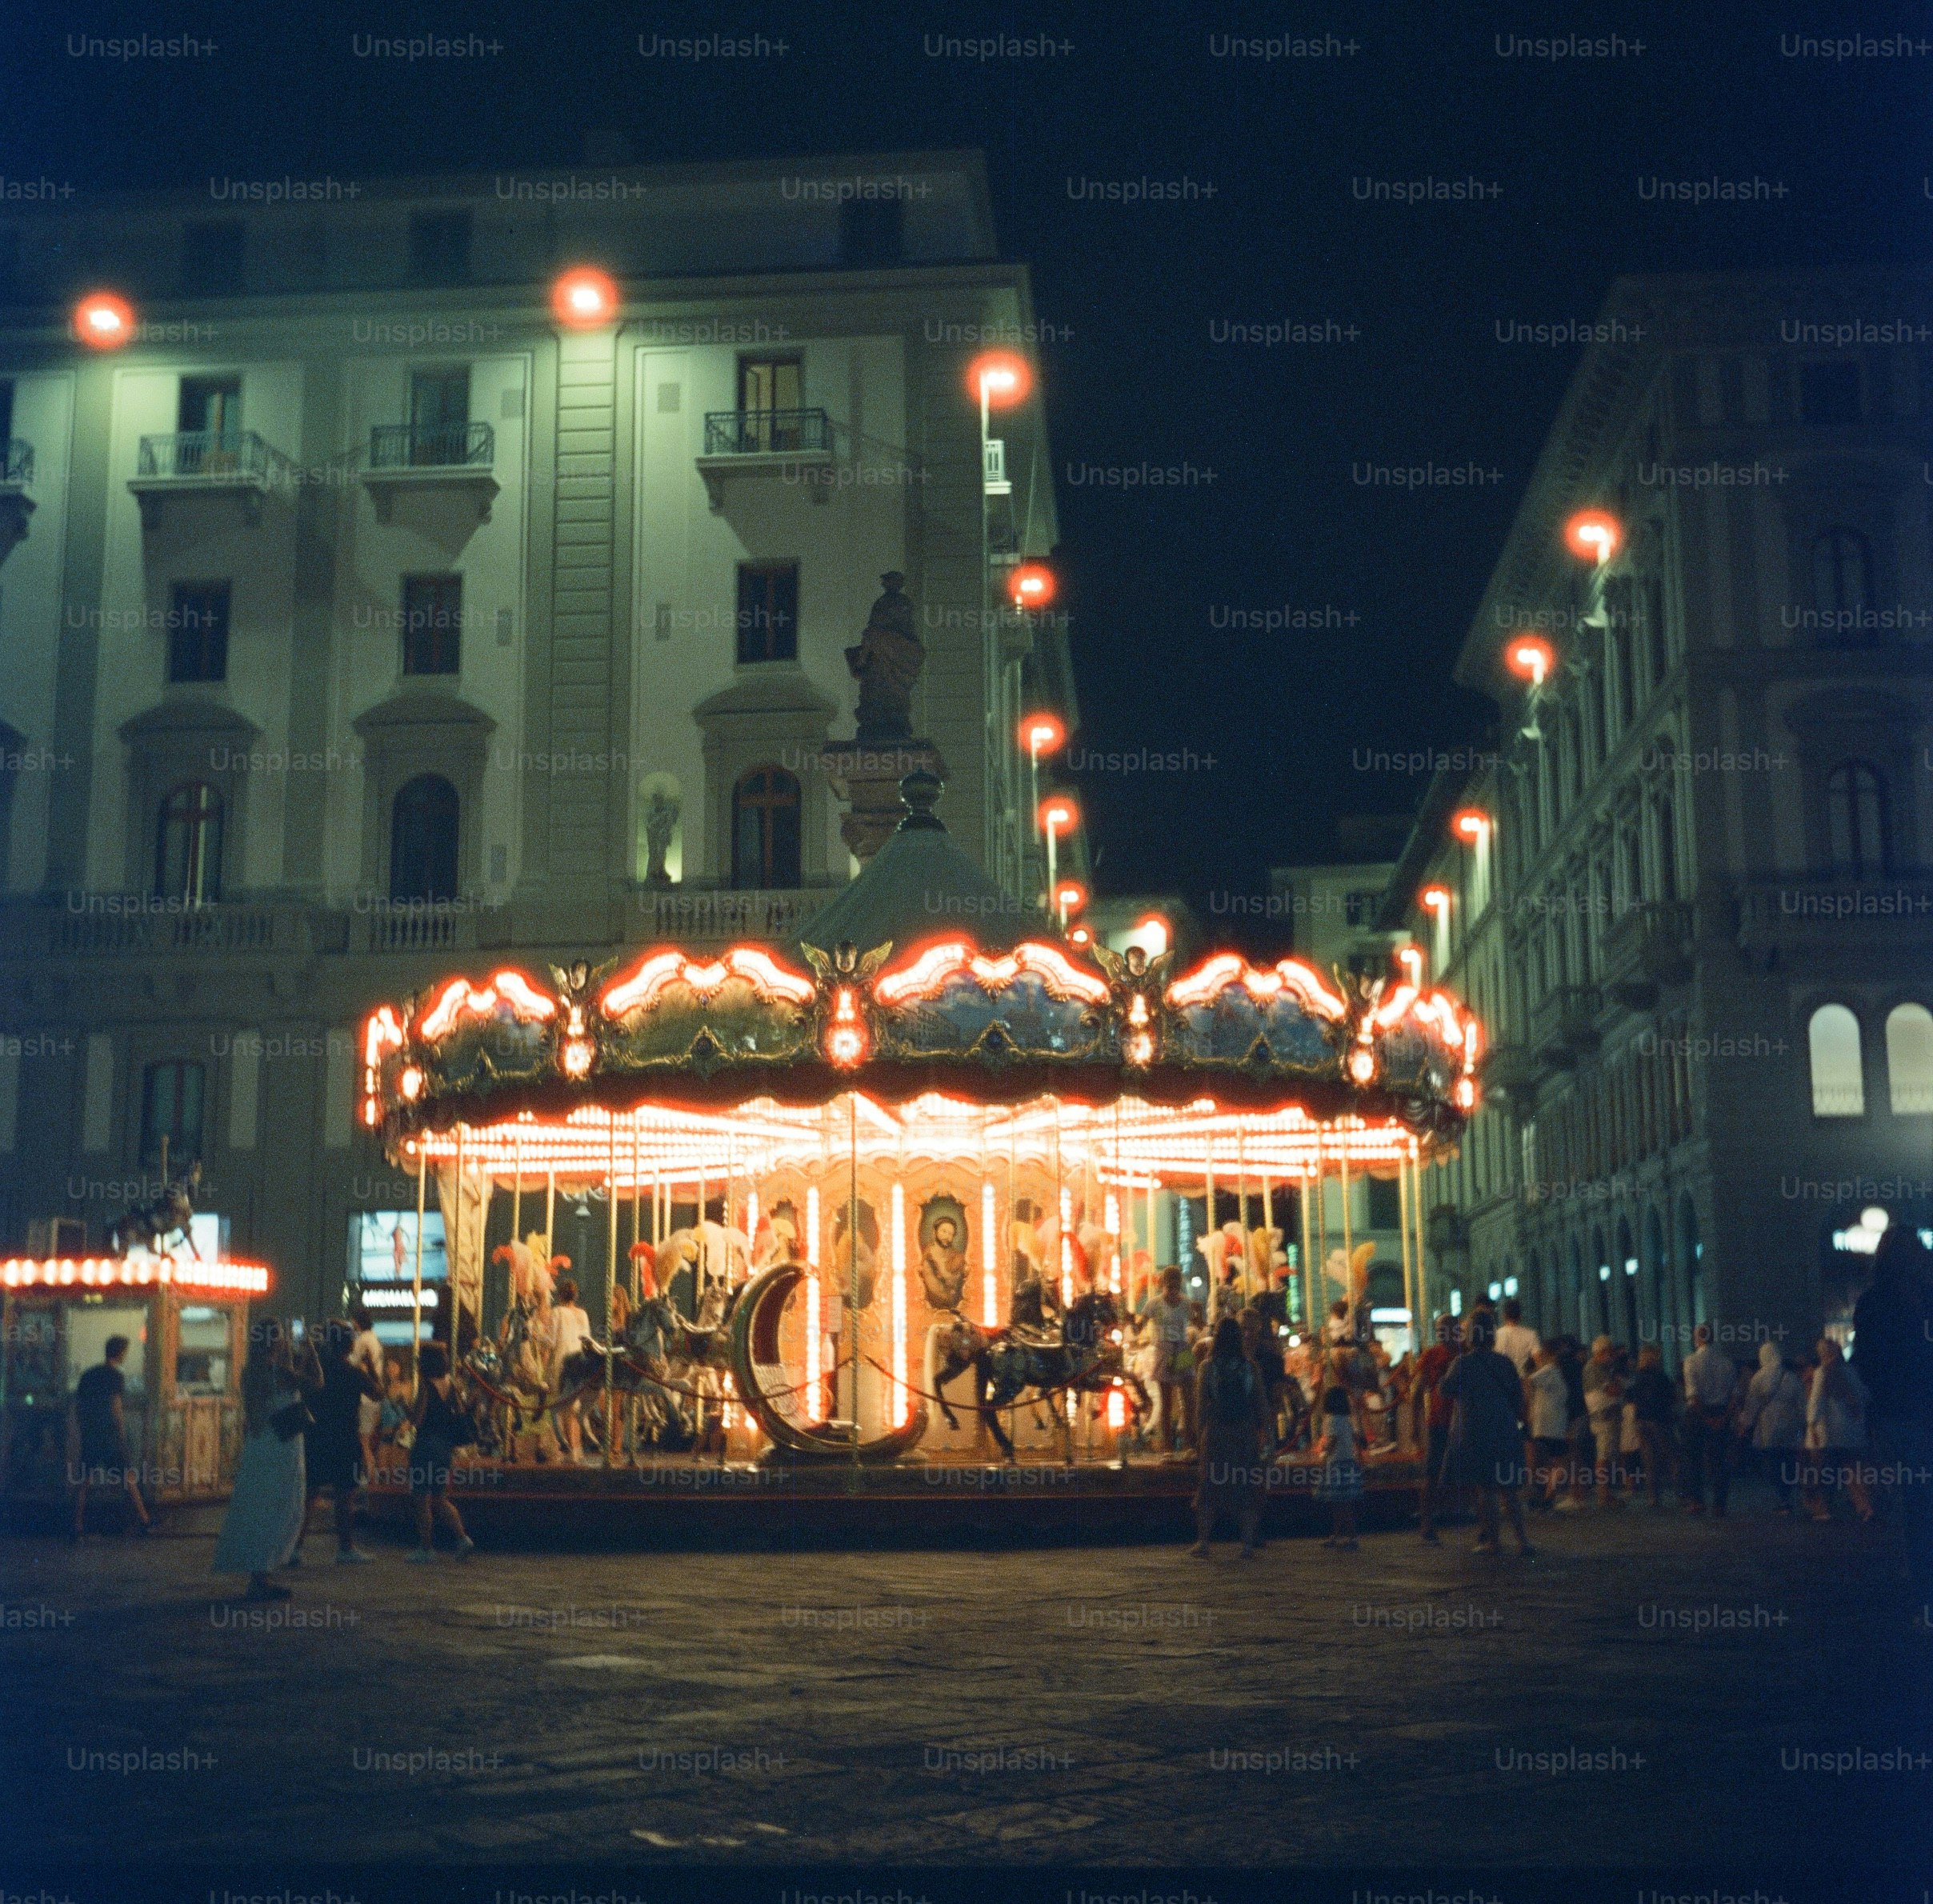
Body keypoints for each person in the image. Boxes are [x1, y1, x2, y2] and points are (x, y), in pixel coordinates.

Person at [1851, 1226, 1933, 1622]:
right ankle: (1922, 1580)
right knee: (1920, 1497)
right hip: (1909, 1411)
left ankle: (1921, 1580)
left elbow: (1866, 1362)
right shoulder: (1899, 1302)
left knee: (1917, 1498)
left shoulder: (1874, 1303)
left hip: (1901, 1411)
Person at [213, 1319, 315, 1600]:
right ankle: (262, 1576)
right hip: (283, 1444)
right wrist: (309, 1350)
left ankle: (259, 1575)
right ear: (275, 1341)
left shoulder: (251, 1371)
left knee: (259, 1503)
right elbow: (316, 1381)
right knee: (283, 1503)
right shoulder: (279, 1371)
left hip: (261, 1443)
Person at [1440, 1310, 1535, 1556]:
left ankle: (1493, 1540)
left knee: (1486, 1490)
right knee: (1510, 1489)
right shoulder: (1505, 1363)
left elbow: (1446, 1389)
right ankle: (1523, 1540)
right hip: (1504, 1429)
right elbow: (1518, 1397)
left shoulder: (1463, 1363)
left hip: (1474, 1431)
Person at [299, 1322, 381, 1565]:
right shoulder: (354, 1373)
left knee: (310, 1494)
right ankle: (346, 1548)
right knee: (345, 1496)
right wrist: (371, 1368)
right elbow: (378, 1393)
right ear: (350, 1344)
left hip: (317, 1436)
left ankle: (295, 1546)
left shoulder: (318, 1371)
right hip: (345, 1439)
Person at [1189, 1317, 1267, 1557]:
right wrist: (1265, 1433)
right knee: (1244, 1485)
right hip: (1243, 1430)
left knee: (1210, 1486)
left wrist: (1198, 1434)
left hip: (1217, 1431)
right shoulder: (1249, 1367)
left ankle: (1203, 1542)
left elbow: (1201, 1404)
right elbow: (1260, 1403)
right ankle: (1246, 1544)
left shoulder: (1207, 1367)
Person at [70, 1335, 150, 1540]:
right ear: (120, 1352)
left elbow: (79, 1406)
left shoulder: (88, 1375)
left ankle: (77, 1523)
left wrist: (82, 1429)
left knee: (85, 1480)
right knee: (127, 1477)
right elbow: (116, 1407)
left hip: (91, 1433)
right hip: (109, 1434)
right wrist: (121, 1431)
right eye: (125, 1352)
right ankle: (144, 1520)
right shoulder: (115, 1376)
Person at [406, 1343, 476, 1561]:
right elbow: (460, 1411)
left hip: (426, 1445)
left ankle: (426, 1548)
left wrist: (403, 1405)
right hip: (444, 1447)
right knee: (439, 1497)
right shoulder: (451, 1384)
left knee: (421, 1498)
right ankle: (462, 1538)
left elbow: (417, 1419)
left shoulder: (427, 1386)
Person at [1803, 1338, 1874, 1523]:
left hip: (1829, 1432)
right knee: (1852, 1471)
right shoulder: (1850, 1371)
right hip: (1851, 1431)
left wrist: (1811, 1425)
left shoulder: (1822, 1372)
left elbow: (1816, 1400)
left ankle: (1825, 1508)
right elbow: (1865, 1396)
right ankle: (1865, 1507)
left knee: (1825, 1471)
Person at [1735, 1341, 1807, 1512]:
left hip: (1769, 1424)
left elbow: (1752, 1404)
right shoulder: (1790, 1377)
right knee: (1788, 1459)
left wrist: (1744, 1424)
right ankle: (1788, 1494)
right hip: (1790, 1422)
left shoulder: (1759, 1378)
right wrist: (1804, 1424)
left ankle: (1782, 1498)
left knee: (1774, 1460)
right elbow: (1802, 1403)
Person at [1679, 1323, 1738, 1515]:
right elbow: (1733, 1396)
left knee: (1693, 1457)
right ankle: (1719, 1504)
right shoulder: (1726, 1362)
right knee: (1720, 1459)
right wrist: (1722, 1418)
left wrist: (1705, 1418)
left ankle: (1696, 1501)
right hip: (1721, 1411)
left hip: (1698, 1414)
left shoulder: (1690, 1361)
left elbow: (1693, 1396)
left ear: (1697, 1339)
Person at [1414, 1314, 1460, 1545]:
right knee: (1431, 1473)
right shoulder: (1432, 1355)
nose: (1443, 1333)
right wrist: (1416, 1423)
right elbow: (1419, 1388)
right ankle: (1427, 1523)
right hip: (1440, 1420)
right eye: (1440, 1329)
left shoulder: (1464, 1353)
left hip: (1460, 1421)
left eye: (1447, 1328)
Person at [1144, 1267, 1195, 1454]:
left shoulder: (1186, 1303)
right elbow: (1141, 1322)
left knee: (1188, 1399)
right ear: (1162, 1283)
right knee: (1166, 1401)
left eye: (1176, 1283)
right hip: (1164, 1347)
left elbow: (1195, 1322)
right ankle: (1167, 1444)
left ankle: (1187, 1442)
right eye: (1169, 1283)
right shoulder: (1154, 1304)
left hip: (1181, 1346)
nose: (1173, 1287)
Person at [548, 1276, 594, 1463]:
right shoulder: (583, 1314)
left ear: (560, 1296)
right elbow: (587, 1339)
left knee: (566, 1406)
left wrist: (536, 1336)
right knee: (574, 1407)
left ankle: (571, 1449)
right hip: (581, 1360)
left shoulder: (557, 1312)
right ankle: (577, 1448)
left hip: (564, 1360)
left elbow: (551, 1340)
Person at [1627, 1344, 1679, 1509]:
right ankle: (1682, 1494)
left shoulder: (1637, 1377)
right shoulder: (1661, 1376)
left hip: (1641, 1421)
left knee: (1649, 1461)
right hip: (1658, 1420)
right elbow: (1671, 1397)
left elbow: (1632, 1398)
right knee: (1672, 1457)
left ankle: (1653, 1498)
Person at [1314, 1386, 1363, 1549]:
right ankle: (1340, 1536)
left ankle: (1350, 1537)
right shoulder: (1345, 1419)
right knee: (1344, 1503)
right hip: (1348, 1463)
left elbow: (1332, 1441)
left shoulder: (1331, 1420)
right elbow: (1354, 1438)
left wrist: (1324, 1456)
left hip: (1336, 1464)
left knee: (1339, 1504)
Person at [1526, 1342, 1571, 1510]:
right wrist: (1530, 1407)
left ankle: (1544, 1497)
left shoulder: (1553, 1372)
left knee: (1550, 1464)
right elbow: (1529, 1381)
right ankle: (1546, 1496)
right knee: (1558, 1464)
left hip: (1549, 1425)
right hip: (1550, 1426)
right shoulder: (1550, 1371)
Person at [1583, 1334, 1626, 1507]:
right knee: (1604, 1456)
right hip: (1604, 1417)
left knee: (1605, 1455)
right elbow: (1613, 1390)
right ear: (1602, 1352)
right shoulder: (1594, 1369)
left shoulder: (1601, 1368)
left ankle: (1605, 1494)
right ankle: (1604, 1495)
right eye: (1610, 1352)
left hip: (1605, 1417)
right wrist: (1621, 1387)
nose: (1613, 1356)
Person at [349, 1302, 384, 1483]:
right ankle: (370, 1478)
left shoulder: (362, 1340)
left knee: (362, 1441)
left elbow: (352, 1363)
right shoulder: (374, 1338)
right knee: (368, 1441)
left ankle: (370, 1480)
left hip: (365, 1398)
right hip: (374, 1396)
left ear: (356, 1322)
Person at [1494, 1299, 1541, 1378]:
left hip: (1502, 1380)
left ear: (1504, 1315)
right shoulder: (1530, 1334)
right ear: (1520, 1315)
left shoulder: (1496, 1335)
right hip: (1522, 1380)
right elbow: (1539, 1361)